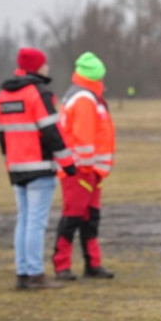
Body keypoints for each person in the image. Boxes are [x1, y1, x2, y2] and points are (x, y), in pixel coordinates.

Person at [0, 47, 76, 290]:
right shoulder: (38, 92)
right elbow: (52, 131)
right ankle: (35, 274)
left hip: (16, 167)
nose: (47, 67)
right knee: (35, 222)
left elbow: (2, 135)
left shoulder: (3, 95)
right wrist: (68, 163)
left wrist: (9, 162)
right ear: (36, 67)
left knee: (24, 220)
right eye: (44, 64)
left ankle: (23, 272)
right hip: (39, 167)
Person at [52, 52, 116, 280]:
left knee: (90, 217)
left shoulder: (86, 96)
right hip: (80, 171)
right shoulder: (84, 99)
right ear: (95, 76)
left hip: (89, 171)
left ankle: (92, 264)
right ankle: (62, 265)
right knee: (73, 217)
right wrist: (87, 169)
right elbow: (84, 138)